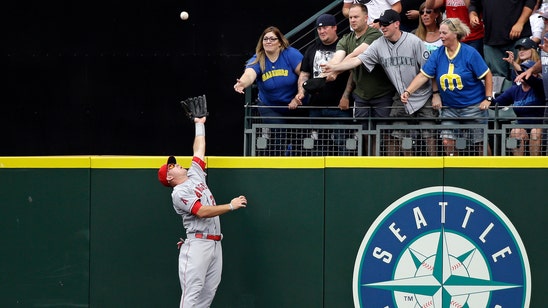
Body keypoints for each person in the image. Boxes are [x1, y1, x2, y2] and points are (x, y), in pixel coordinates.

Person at [157, 116, 248, 307]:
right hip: (198, 244)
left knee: (207, 294)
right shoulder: (179, 192)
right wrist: (230, 206)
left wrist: (199, 124)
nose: (176, 164)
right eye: (171, 166)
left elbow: (198, 150)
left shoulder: (194, 175)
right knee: (191, 295)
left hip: (215, 243)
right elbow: (202, 211)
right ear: (169, 176)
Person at [323, 9, 439, 156]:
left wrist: (435, 94)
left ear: (397, 24)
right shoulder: (378, 44)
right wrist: (335, 67)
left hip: (424, 94)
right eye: (381, 24)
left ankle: (434, 170)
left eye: (386, 24)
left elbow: (429, 71)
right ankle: (404, 170)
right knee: (398, 135)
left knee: (429, 135)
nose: (382, 27)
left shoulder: (414, 41)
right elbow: (357, 60)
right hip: (401, 96)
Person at [402, 18, 494, 156]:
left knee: (479, 143)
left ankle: (487, 171)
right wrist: (408, 91)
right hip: (450, 107)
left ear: (455, 34)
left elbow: (487, 75)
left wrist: (488, 98)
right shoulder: (438, 54)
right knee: (447, 142)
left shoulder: (470, 53)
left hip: (473, 106)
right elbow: (424, 75)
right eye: (440, 33)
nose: (441, 36)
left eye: (444, 33)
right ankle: (454, 172)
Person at [328, 3, 396, 155]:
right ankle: (367, 164)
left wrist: (335, 70)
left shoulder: (375, 35)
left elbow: (356, 55)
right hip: (361, 95)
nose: (352, 20)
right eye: (350, 17)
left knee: (385, 132)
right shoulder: (346, 38)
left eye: (356, 17)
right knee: (364, 132)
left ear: (366, 18)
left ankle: (386, 165)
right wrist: (329, 68)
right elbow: (338, 57)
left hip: (382, 93)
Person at [233, 26, 305, 155]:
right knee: (279, 135)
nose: (268, 41)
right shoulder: (258, 58)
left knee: (298, 138)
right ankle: (279, 163)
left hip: (295, 104)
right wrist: (242, 83)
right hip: (270, 106)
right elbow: (250, 74)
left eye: (272, 39)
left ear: (280, 42)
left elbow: (304, 74)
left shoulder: (290, 54)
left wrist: (298, 96)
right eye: (265, 39)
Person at [296, 14, 353, 155]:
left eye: (325, 28)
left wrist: (346, 96)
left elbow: (354, 74)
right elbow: (304, 74)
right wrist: (300, 92)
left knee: (343, 146)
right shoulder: (311, 49)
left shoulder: (345, 47)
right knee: (317, 147)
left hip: (339, 107)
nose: (321, 31)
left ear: (335, 28)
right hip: (316, 106)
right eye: (319, 29)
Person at [469, 0, 535, 84]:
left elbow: (530, 2)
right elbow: (474, 5)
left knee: (522, 74)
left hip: (518, 38)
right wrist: (473, 14)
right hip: (492, 39)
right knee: (497, 79)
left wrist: (520, 23)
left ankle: (524, 97)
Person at [493, 60, 545, 155]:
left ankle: (535, 165)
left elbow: (529, 80)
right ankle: (519, 165)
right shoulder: (514, 90)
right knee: (515, 131)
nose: (522, 73)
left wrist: (514, 64)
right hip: (522, 126)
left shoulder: (540, 85)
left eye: (526, 70)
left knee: (535, 132)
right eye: (521, 71)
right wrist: (485, 96)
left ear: (535, 74)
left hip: (540, 126)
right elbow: (496, 104)